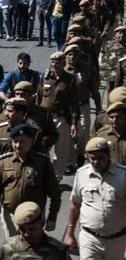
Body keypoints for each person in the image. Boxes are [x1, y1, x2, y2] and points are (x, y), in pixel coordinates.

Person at [0, 123, 61, 238]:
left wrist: (52, 218)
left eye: (22, 141)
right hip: (10, 215)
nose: (18, 145)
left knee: (33, 250)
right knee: (13, 249)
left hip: (34, 217)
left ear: (31, 141)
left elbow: (55, 192)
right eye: (15, 141)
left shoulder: (42, 163)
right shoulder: (4, 161)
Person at [64, 137, 126, 258]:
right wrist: (69, 233)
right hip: (90, 239)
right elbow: (75, 205)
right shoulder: (81, 174)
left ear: (109, 155)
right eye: (92, 159)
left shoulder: (123, 175)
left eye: (100, 158)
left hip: (119, 240)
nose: (96, 162)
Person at [38, 51, 79, 180]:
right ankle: (44, 174)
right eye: (53, 62)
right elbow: (38, 97)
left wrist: (73, 123)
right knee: (42, 147)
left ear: (63, 63)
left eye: (58, 63)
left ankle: (56, 178)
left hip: (61, 118)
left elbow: (74, 103)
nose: (55, 65)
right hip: (45, 118)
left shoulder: (70, 79)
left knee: (60, 151)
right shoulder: (45, 77)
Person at [0, 201, 70, 259]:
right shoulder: (8, 247)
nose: (27, 234)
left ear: (42, 224)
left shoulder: (58, 250)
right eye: (22, 229)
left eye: (32, 229)